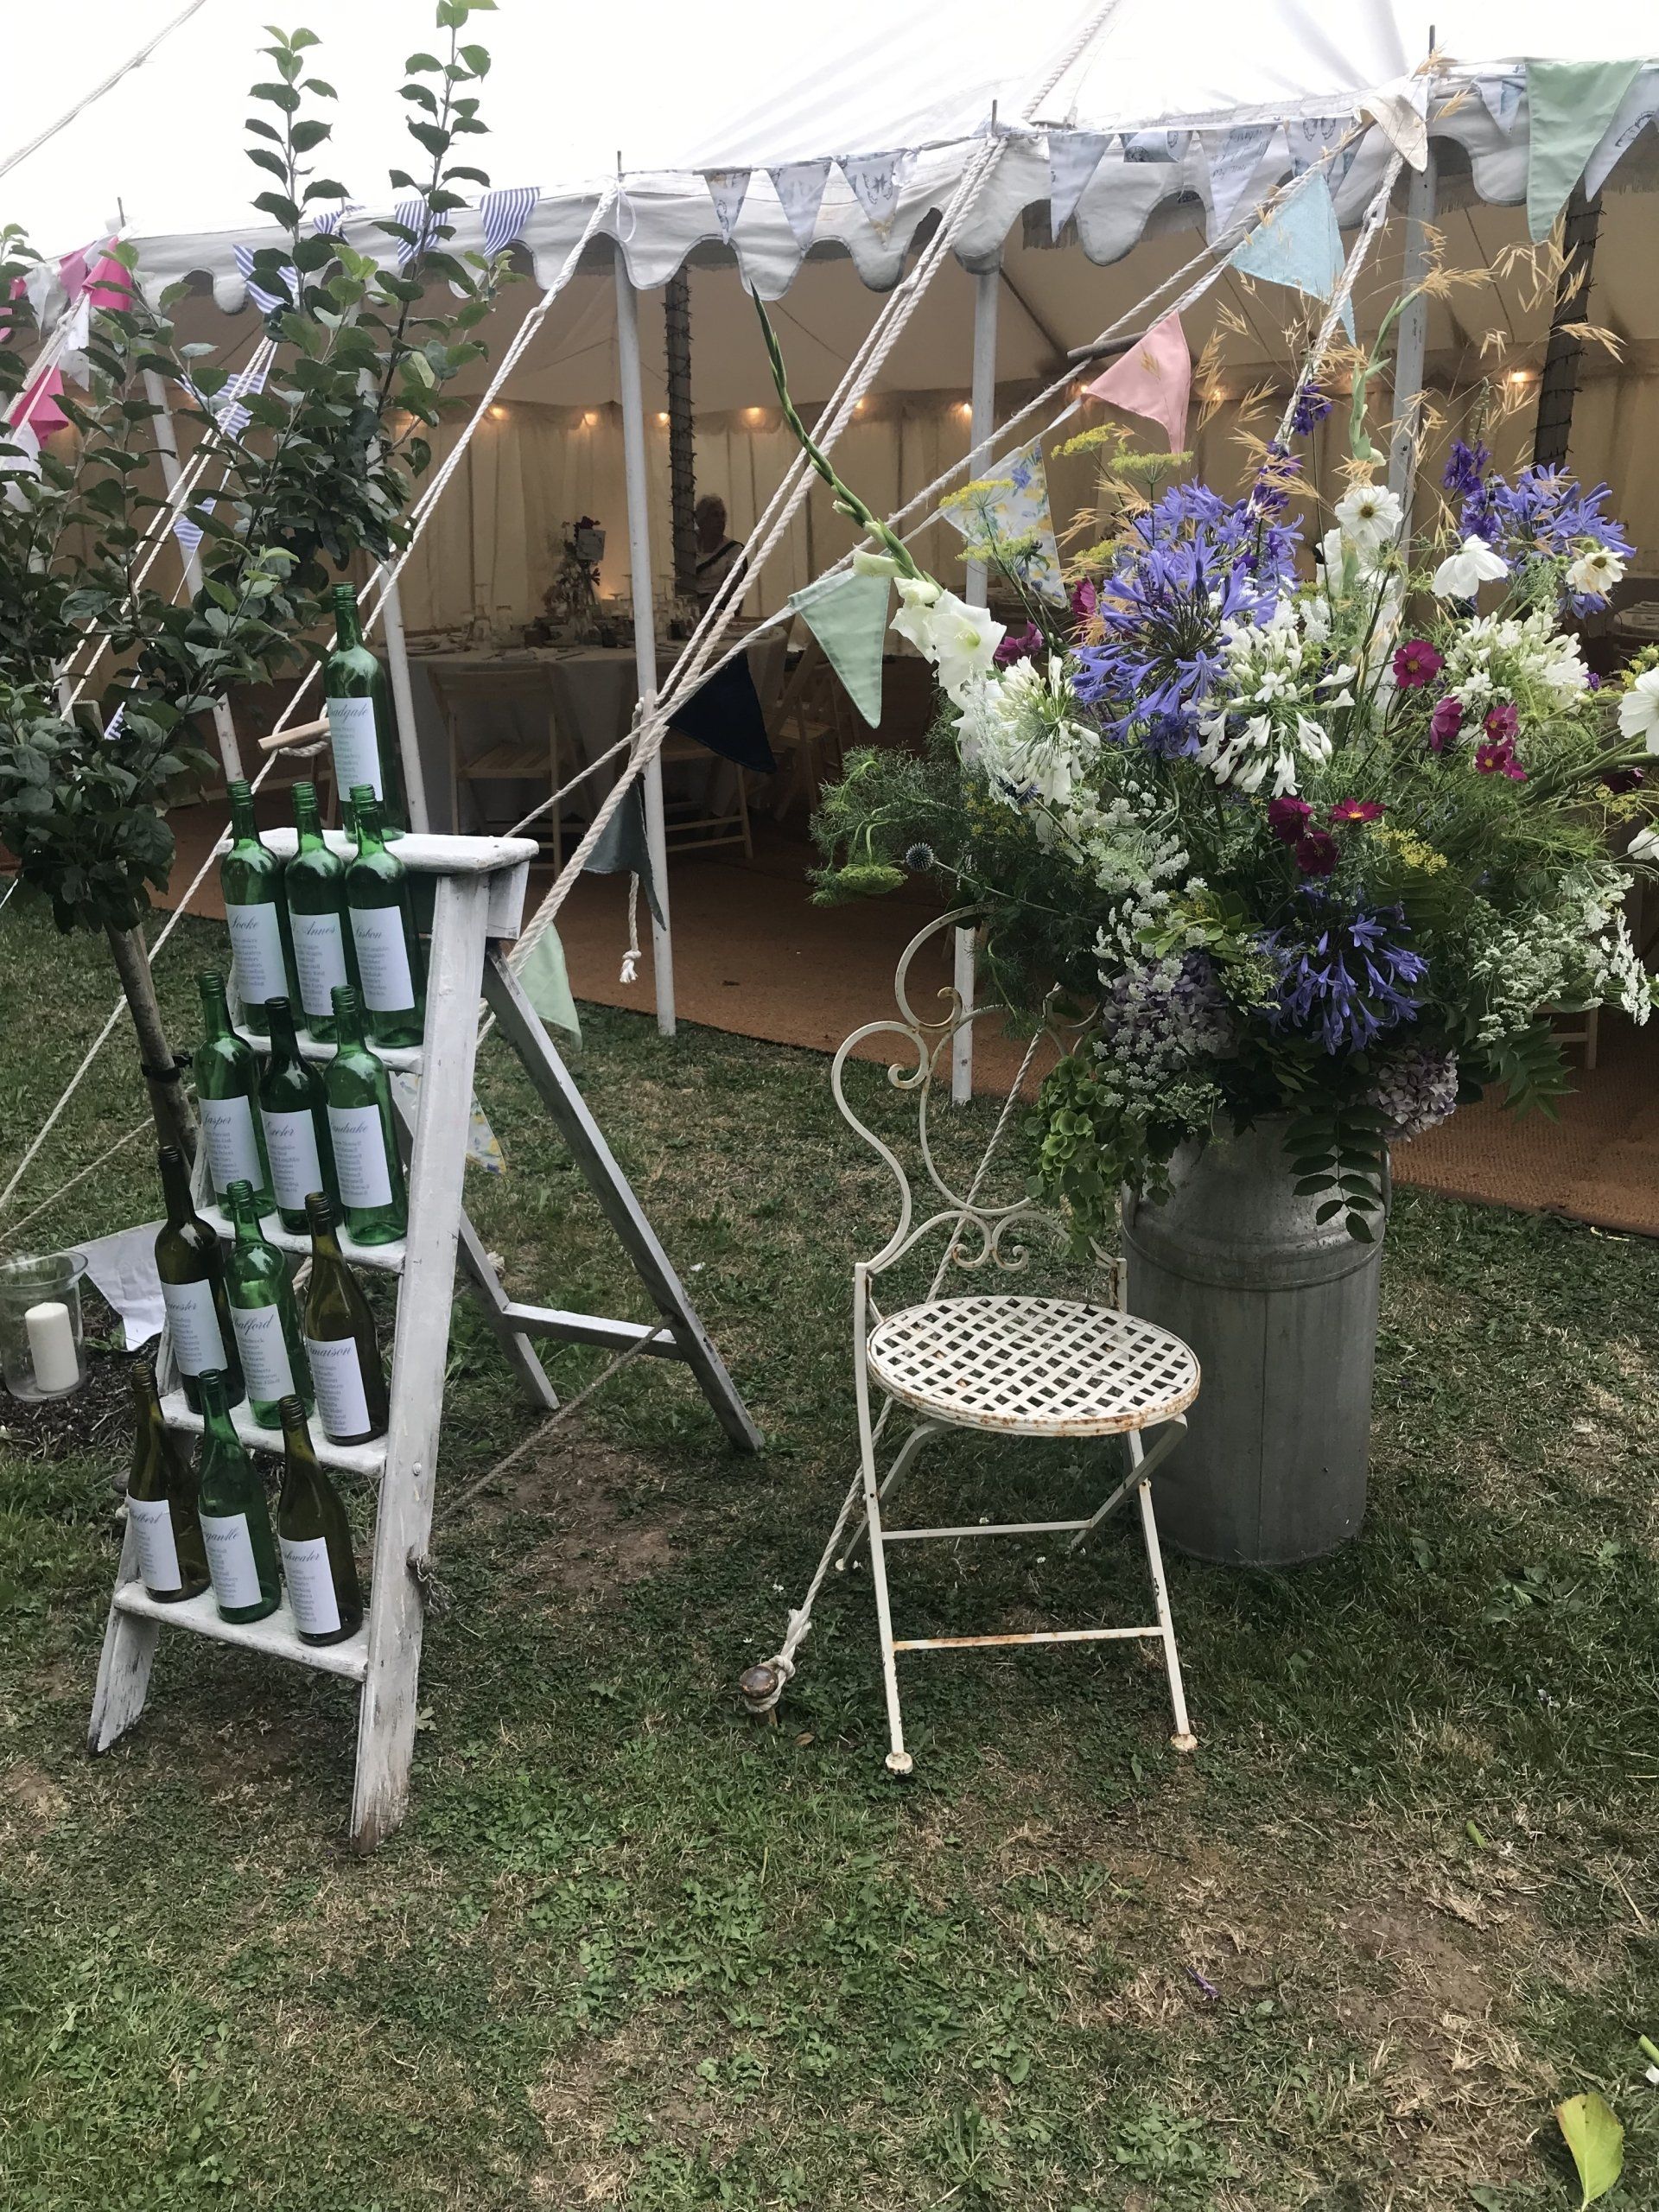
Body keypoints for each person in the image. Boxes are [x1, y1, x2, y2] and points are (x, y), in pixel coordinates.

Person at [693, 493, 747, 612]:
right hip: (692, 606)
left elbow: (732, 583)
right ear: (702, 520)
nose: (720, 520)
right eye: (715, 515)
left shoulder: (734, 549)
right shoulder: (688, 544)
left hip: (718, 607)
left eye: (723, 515)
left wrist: (706, 605)